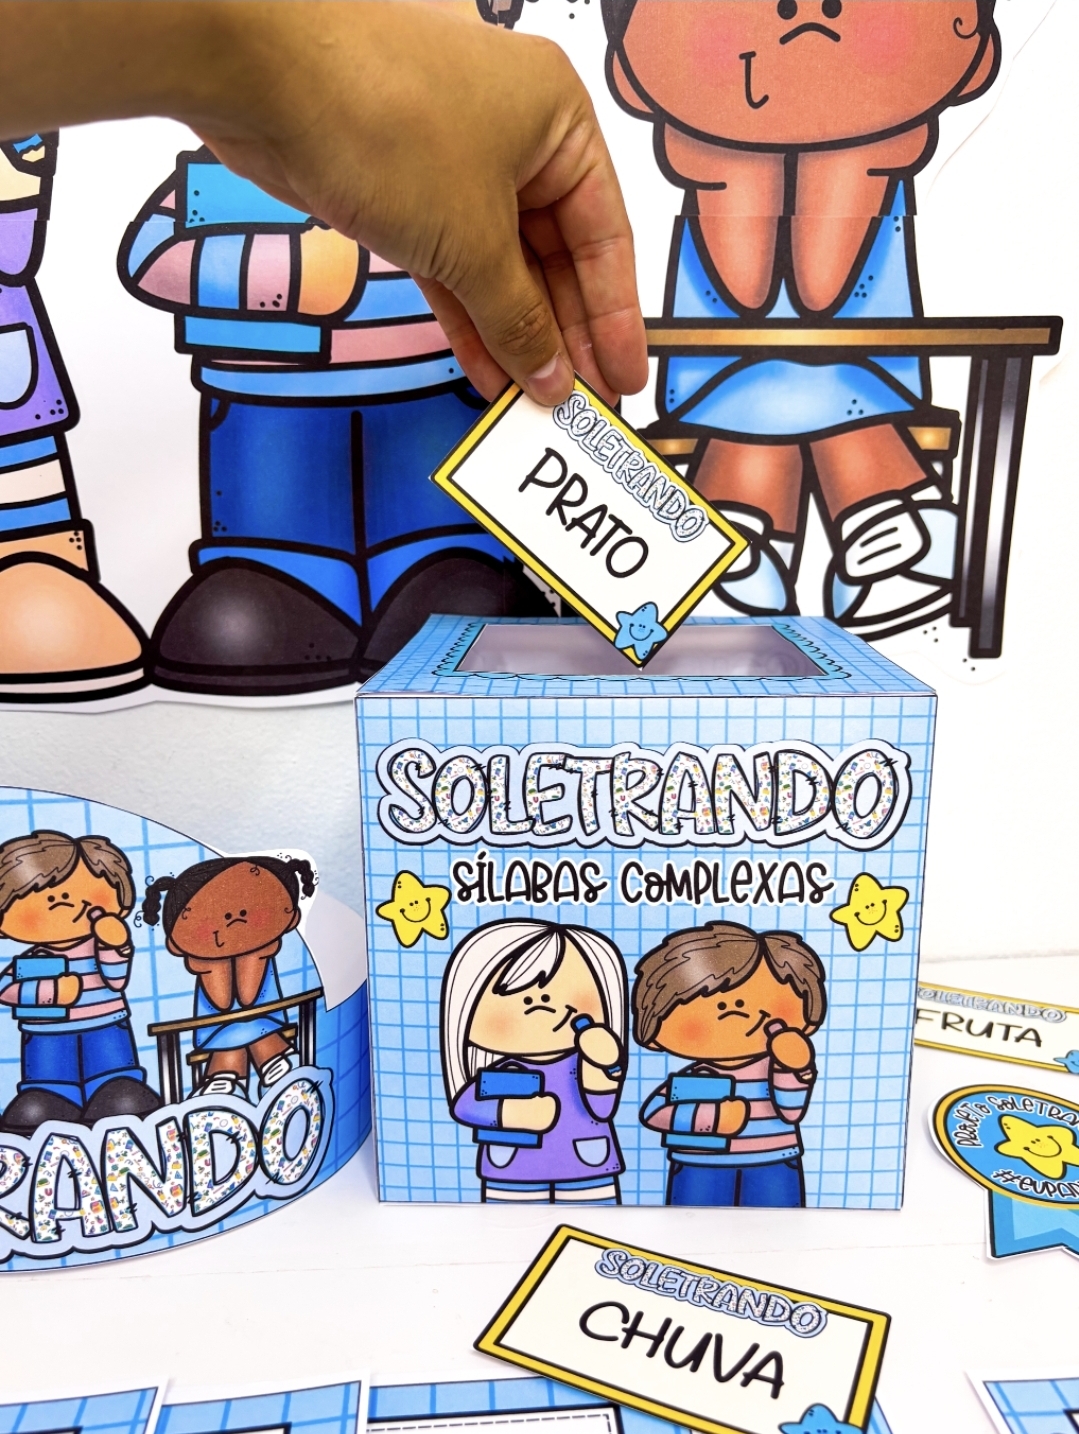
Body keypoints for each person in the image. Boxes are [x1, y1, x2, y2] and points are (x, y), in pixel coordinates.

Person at [0, 1, 647, 420]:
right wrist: (291, 273)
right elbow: (152, 255)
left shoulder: (453, 197)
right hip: (262, 401)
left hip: (415, 411)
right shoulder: (216, 177)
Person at [600, 0, 1000, 638]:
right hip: (728, 382)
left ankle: (752, 531)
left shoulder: (879, 175)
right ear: (628, 68)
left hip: (861, 379)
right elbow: (748, 287)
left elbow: (825, 288)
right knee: (757, 385)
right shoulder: (711, 179)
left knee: (832, 375)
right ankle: (870, 515)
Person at [633, 919, 825, 1207]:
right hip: (699, 1165)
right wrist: (712, 1119)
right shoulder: (694, 1077)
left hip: (773, 1161)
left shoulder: (777, 1067)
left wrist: (792, 1066)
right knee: (688, 1225)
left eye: (759, 998)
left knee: (779, 1226)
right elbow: (653, 1113)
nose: (733, 1008)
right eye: (708, 1002)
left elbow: (791, 1111)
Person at [440, 919, 628, 1203]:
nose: (539, 1000)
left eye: (565, 987)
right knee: (506, 1226)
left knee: (596, 1222)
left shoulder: (584, 1062)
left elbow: (602, 1109)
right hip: (512, 1170)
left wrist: (600, 1065)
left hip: (587, 1166)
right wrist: (510, 1113)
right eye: (511, 995)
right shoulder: (500, 1073)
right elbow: (465, 1107)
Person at [0, 829, 161, 1134]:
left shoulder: (102, 945)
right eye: (43, 895)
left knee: (118, 1092)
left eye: (80, 893)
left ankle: (114, 1089)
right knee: (43, 1101)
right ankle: (52, 1097)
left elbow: (116, 982)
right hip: (46, 1036)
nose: (61, 900)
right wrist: (51, 992)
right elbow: (5, 989)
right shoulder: (32, 960)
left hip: (107, 1026)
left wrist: (114, 946)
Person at [142, 854, 316, 1100]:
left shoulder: (260, 952)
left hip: (266, 1022)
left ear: (291, 916)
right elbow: (221, 1001)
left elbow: (248, 995)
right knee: (227, 1023)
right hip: (219, 1030)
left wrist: (252, 958)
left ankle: (265, 1060)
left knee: (254, 1018)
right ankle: (228, 1073)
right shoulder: (207, 964)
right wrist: (215, 966)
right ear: (175, 944)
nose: (235, 917)